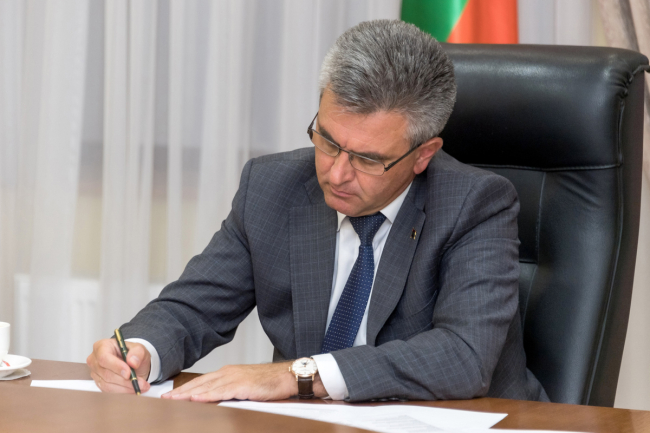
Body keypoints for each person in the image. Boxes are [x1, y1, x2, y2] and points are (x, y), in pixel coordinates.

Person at [87, 19, 548, 403]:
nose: (336, 173)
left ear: (423, 155)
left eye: (367, 159)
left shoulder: (476, 204)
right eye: (327, 140)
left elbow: (464, 356)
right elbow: (196, 307)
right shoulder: (272, 187)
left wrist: (298, 375)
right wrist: (139, 350)